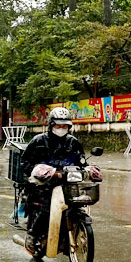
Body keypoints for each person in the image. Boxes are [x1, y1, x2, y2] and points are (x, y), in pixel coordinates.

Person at [19, 107, 90, 253]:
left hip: (67, 184)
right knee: (47, 207)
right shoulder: (38, 141)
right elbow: (25, 163)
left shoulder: (73, 143)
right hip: (42, 185)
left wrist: (88, 170)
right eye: (58, 125)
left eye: (65, 126)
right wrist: (40, 171)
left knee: (76, 204)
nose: (61, 129)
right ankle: (32, 235)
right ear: (51, 125)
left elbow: (82, 163)